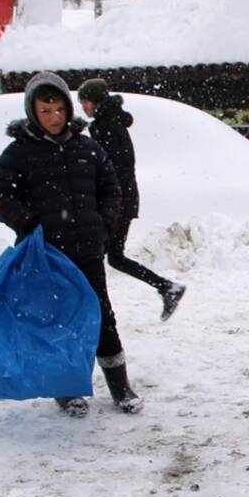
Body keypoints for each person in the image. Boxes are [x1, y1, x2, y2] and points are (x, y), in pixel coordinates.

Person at [0, 71, 142, 417]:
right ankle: (66, 387)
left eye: (59, 109)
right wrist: (30, 224)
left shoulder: (87, 148)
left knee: (102, 317)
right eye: (45, 110)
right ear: (33, 111)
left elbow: (112, 189)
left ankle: (120, 386)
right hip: (47, 256)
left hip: (88, 250)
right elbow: (0, 198)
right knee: (59, 320)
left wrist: (103, 224)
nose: (54, 117)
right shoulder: (18, 153)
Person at [77, 78, 186, 321]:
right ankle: (166, 287)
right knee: (111, 256)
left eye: (84, 102)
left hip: (116, 203)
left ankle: (91, 308)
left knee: (98, 255)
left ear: (94, 101)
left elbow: (108, 169)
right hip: (120, 200)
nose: (83, 107)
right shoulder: (112, 123)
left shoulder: (107, 127)